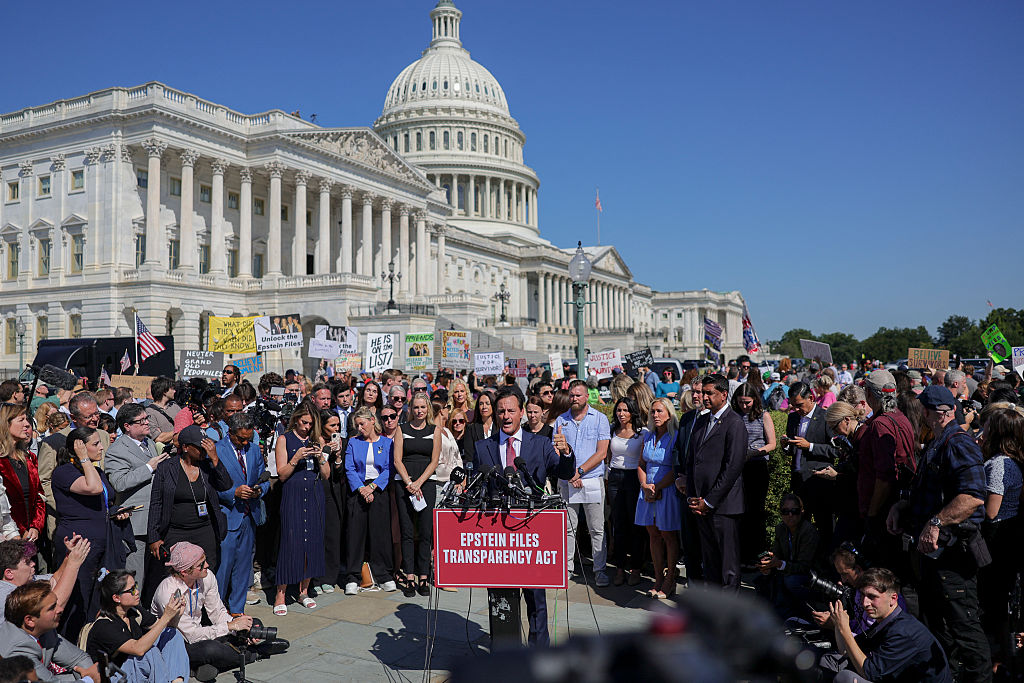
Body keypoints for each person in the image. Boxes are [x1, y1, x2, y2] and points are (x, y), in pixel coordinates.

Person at [885, 384, 991, 682]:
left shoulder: (958, 442)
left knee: (964, 629)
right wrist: (903, 505)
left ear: (935, 413)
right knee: (942, 626)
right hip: (937, 556)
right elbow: (933, 490)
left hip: (954, 554)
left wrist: (936, 523)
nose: (920, 416)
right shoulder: (939, 441)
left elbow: (972, 496)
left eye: (924, 411)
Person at [473, 389, 575, 645]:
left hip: (532, 534)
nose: (505, 416)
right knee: (501, 600)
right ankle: (506, 655)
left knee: (536, 601)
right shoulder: (482, 447)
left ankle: (538, 655)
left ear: (522, 412)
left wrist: (567, 453)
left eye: (510, 411)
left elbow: (564, 472)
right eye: (501, 412)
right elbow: (479, 488)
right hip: (497, 537)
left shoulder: (540, 443)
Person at [151, 542, 287, 680]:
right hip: (179, 645)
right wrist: (230, 627)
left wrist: (239, 627)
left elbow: (217, 612)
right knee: (210, 649)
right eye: (201, 565)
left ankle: (205, 665)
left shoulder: (206, 576)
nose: (207, 565)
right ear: (185, 572)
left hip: (199, 632)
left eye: (205, 561)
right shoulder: (168, 593)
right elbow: (191, 636)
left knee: (253, 623)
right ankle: (254, 653)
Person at [51, 427, 132, 638]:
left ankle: (92, 638)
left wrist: (116, 512)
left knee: (98, 594)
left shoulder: (96, 471)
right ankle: (70, 639)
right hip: (78, 542)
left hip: (101, 541)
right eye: (95, 444)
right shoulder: (64, 472)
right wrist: (84, 459)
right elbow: (93, 489)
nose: (102, 447)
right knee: (80, 596)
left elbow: (104, 500)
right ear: (79, 448)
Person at [821, 567, 951, 683]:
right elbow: (846, 651)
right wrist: (838, 625)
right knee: (829, 660)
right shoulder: (886, 622)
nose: (865, 603)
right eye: (862, 595)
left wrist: (845, 629)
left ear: (893, 598)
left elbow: (870, 673)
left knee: (846, 678)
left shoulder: (903, 631)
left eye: (872, 597)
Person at [684, 373, 746, 590]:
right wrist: (693, 498)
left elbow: (732, 467)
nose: (705, 397)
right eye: (703, 392)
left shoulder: (734, 423)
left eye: (710, 393)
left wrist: (709, 501)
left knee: (727, 565)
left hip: (723, 506)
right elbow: (692, 461)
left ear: (724, 395)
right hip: (700, 505)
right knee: (709, 562)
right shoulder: (701, 421)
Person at [147, 426, 232, 581]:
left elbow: (226, 485)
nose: (204, 451)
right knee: (177, 575)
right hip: (175, 531)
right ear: (185, 447)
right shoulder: (167, 468)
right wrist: (153, 536)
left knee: (206, 573)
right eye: (200, 447)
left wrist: (215, 459)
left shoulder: (207, 466)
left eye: (207, 446)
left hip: (205, 530)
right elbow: (156, 502)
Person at [553, 380, 612, 587]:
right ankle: (567, 569)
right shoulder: (561, 420)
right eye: (572, 395)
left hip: (592, 480)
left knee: (596, 528)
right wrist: (570, 475)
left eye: (578, 395)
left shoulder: (600, 419)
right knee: (568, 528)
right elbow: (557, 450)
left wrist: (579, 472)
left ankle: (600, 570)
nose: (574, 398)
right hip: (568, 482)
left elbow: (602, 452)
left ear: (587, 396)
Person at [977, 403, 1024, 668]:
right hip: (1009, 540)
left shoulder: (999, 465)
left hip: (997, 542)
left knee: (994, 604)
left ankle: (999, 660)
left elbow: (991, 511)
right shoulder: (1015, 460)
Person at [104, 403, 168, 590]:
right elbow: (119, 483)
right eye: (141, 421)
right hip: (136, 524)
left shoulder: (149, 443)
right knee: (135, 576)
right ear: (127, 426)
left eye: (146, 418)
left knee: (155, 577)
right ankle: (134, 615)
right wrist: (149, 467)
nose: (147, 423)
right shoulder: (117, 450)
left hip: (155, 521)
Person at [85, 569, 190, 683]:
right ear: (116, 598)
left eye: (136, 586)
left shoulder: (134, 611)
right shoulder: (104, 625)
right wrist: (166, 617)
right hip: (115, 676)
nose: (137, 591)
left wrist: (175, 615)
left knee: (173, 634)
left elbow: (162, 628)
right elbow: (138, 649)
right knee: (149, 651)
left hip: (134, 670)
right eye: (132, 590)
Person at [273, 403, 329, 614]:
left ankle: (304, 590)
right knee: (291, 541)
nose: (307, 427)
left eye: (311, 423)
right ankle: (281, 593)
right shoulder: (284, 439)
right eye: (304, 422)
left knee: (312, 542)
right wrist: (296, 457)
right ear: (296, 419)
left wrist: (320, 456)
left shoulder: (318, 440)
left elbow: (326, 475)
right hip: (293, 495)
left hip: (314, 495)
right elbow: (282, 474)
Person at [213, 412, 268, 615]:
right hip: (228, 516)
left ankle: (237, 610)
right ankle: (217, 612)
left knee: (243, 569)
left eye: (248, 438)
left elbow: (263, 478)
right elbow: (210, 487)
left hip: (248, 516)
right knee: (223, 568)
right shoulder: (217, 450)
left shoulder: (254, 450)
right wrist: (232, 493)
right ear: (230, 432)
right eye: (241, 438)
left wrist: (260, 490)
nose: (245, 442)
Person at [857, 370, 916, 557]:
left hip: (885, 510)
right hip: (894, 505)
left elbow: (885, 476)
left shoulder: (880, 424)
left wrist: (872, 515)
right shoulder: (899, 416)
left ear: (868, 394)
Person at [0, 581, 101, 683]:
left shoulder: (44, 630)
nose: (60, 609)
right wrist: (90, 680)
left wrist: (91, 675)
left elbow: (79, 659)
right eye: (52, 608)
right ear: (30, 620)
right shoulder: (17, 650)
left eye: (56, 603)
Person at [344, 407, 396, 594]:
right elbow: (349, 468)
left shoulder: (387, 442)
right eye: (357, 425)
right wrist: (362, 489)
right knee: (355, 535)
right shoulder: (353, 443)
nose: (359, 428)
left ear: (372, 421)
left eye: (362, 423)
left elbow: (390, 468)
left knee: (380, 533)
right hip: (358, 490)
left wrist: (372, 487)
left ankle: (383, 575)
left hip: (378, 490)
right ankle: (353, 576)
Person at [393, 393, 441, 597]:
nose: (419, 411)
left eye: (423, 407)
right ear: (410, 409)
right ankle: (410, 577)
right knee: (406, 531)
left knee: (425, 532)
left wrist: (419, 482)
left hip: (426, 484)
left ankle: (424, 576)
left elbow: (435, 460)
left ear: (427, 409)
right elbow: (397, 460)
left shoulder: (435, 430)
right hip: (404, 484)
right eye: (416, 407)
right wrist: (409, 483)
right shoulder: (401, 429)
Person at [785, 381, 841, 548]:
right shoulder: (793, 417)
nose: (797, 409)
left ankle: (826, 563)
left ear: (811, 398)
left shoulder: (825, 418)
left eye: (800, 405)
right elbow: (793, 449)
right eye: (793, 406)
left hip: (819, 480)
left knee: (824, 525)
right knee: (800, 526)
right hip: (798, 480)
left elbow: (836, 450)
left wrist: (810, 446)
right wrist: (787, 445)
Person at [635, 397, 680, 598]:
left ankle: (670, 578)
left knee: (668, 535)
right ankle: (658, 577)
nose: (655, 415)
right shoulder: (648, 436)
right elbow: (641, 464)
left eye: (660, 411)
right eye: (653, 411)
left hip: (667, 490)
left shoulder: (675, 436)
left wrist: (658, 487)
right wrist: (645, 485)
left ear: (669, 414)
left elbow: (675, 468)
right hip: (648, 491)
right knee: (653, 535)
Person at [731, 383, 776, 567]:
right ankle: (740, 554)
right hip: (737, 467)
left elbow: (772, 443)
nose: (744, 406)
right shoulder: (733, 416)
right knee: (738, 511)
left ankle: (756, 552)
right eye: (741, 402)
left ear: (755, 400)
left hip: (756, 466)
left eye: (747, 402)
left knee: (755, 511)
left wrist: (756, 452)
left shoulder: (762, 416)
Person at [758, 494, 819, 620]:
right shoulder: (780, 529)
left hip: (810, 574)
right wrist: (768, 565)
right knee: (763, 579)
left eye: (794, 511)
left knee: (789, 581)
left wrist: (780, 564)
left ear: (801, 512)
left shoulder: (809, 531)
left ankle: (803, 611)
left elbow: (804, 566)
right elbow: (777, 555)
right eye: (785, 511)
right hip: (789, 569)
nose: (790, 515)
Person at [606, 397, 644, 586]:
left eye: (625, 410)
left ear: (632, 412)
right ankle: (619, 569)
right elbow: (609, 456)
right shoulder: (612, 430)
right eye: (618, 410)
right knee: (618, 525)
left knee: (635, 525)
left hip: (633, 478)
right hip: (614, 478)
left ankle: (636, 568)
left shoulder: (641, 433)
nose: (621, 414)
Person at [0, 403, 44, 542]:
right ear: (6, 424)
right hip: (8, 537)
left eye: (27, 419)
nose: (27, 424)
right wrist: (20, 530)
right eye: (21, 420)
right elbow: (4, 506)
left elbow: (39, 495)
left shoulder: (29, 458)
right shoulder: (1, 461)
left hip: (30, 536)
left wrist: (35, 526)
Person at [315, 409, 346, 595]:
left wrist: (339, 455)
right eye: (332, 425)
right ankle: (316, 577)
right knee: (317, 535)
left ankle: (330, 576)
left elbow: (340, 473)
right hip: (316, 490)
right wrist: (324, 450)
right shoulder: (314, 441)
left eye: (338, 425)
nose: (336, 429)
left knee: (333, 535)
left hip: (333, 493)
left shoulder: (339, 442)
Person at [462, 391, 496, 463]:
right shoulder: (471, 428)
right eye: (481, 404)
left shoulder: (500, 427)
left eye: (487, 403)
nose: (484, 407)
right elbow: (469, 456)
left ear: (493, 405)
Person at [145, 378, 179, 446]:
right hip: (167, 454)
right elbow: (159, 438)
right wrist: (180, 430)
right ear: (164, 391)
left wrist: (167, 435)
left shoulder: (175, 406)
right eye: (172, 389)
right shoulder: (149, 412)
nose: (174, 391)